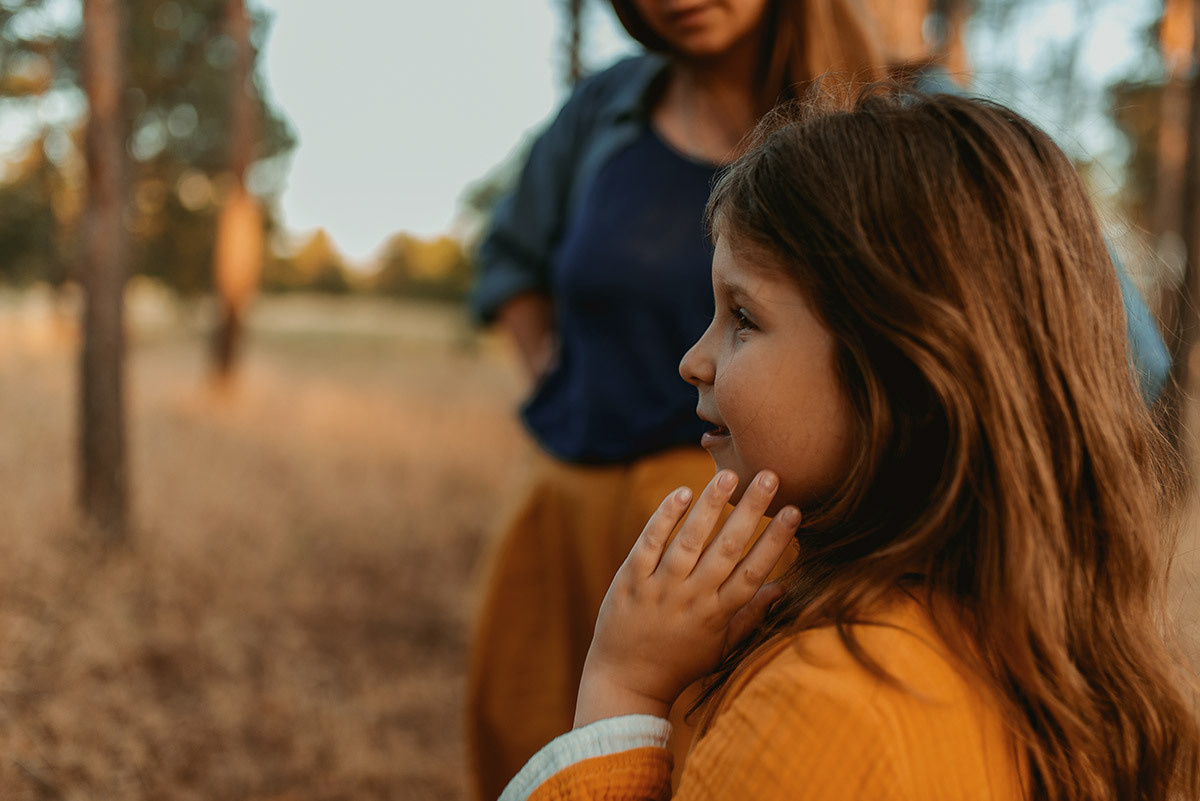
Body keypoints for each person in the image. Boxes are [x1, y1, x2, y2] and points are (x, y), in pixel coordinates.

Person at [498, 88, 1200, 800]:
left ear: (901, 374)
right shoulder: (1032, 649)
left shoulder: (825, 703)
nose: (693, 358)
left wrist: (623, 691)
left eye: (742, 316)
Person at [466, 3, 887, 798]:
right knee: (531, 743)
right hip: (560, 489)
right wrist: (561, 378)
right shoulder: (605, 106)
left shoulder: (881, 112)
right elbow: (510, 259)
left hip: (729, 511)